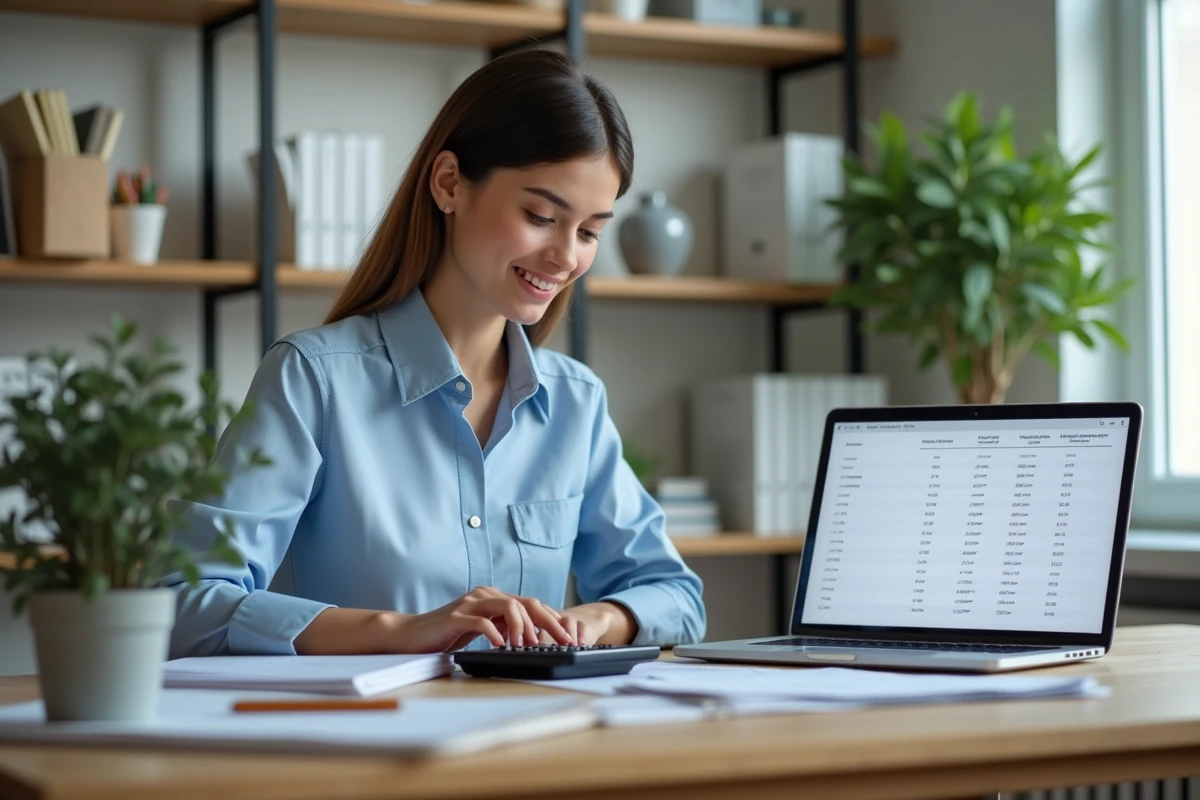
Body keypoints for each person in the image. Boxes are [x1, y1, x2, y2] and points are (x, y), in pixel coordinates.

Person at [166, 49, 706, 657]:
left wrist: (591, 624)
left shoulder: (575, 401)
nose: (566, 256)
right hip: (363, 742)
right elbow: (184, 605)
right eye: (540, 215)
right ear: (449, 183)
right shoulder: (313, 380)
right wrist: (407, 631)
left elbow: (675, 596)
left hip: (532, 740)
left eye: (589, 232)